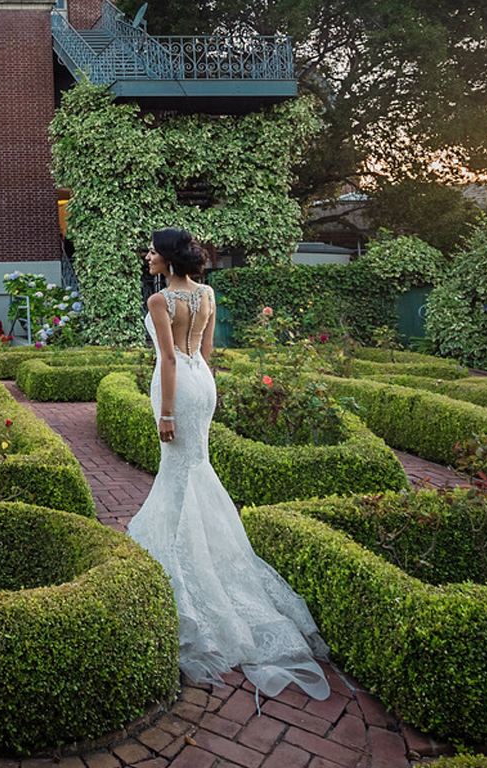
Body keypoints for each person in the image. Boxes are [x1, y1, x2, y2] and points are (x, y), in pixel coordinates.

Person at [127, 227, 333, 702]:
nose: (148, 255)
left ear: (168, 257)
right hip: (204, 385)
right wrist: (201, 398)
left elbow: (170, 360)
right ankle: (200, 552)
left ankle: (182, 566)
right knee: (194, 469)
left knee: (179, 473)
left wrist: (166, 412)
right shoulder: (208, 294)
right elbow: (205, 353)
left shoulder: (161, 303)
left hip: (178, 387)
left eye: (153, 250)